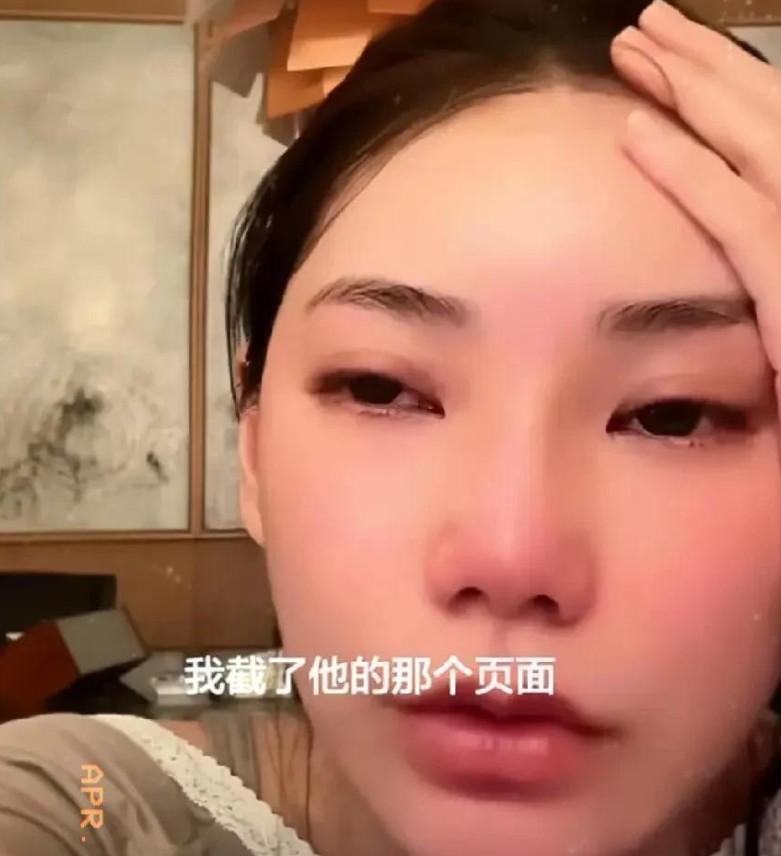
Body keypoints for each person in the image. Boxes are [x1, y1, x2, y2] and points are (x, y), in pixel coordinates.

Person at [1, 0, 781, 854]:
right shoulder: (73, 812)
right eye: (380, 388)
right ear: (252, 452)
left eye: (671, 415)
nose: (508, 557)